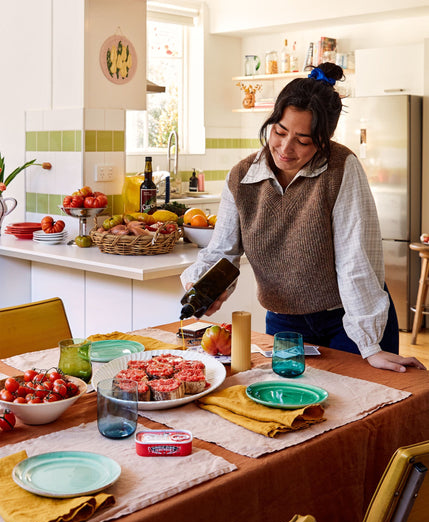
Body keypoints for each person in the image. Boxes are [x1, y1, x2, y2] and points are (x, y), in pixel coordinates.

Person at [180, 62, 425, 373]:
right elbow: (222, 252)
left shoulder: (341, 169)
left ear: (323, 140)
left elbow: (355, 263)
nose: (285, 147)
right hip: (284, 321)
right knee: (292, 406)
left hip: (348, 319)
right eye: (280, 131)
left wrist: (369, 346)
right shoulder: (241, 177)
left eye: (303, 140)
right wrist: (202, 283)